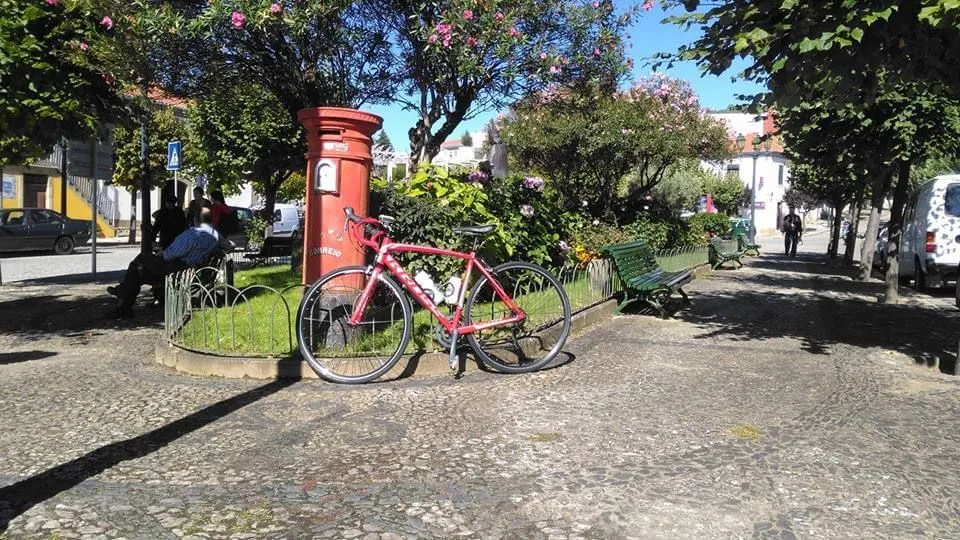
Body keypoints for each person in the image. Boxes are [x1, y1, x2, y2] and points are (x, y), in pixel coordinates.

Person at [107, 208, 231, 317]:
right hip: (191, 270)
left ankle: (123, 297)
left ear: (195, 219)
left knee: (140, 261)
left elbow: (170, 255)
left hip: (177, 269)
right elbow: (230, 246)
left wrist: (162, 253)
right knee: (138, 272)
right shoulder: (215, 234)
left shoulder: (193, 234)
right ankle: (124, 305)